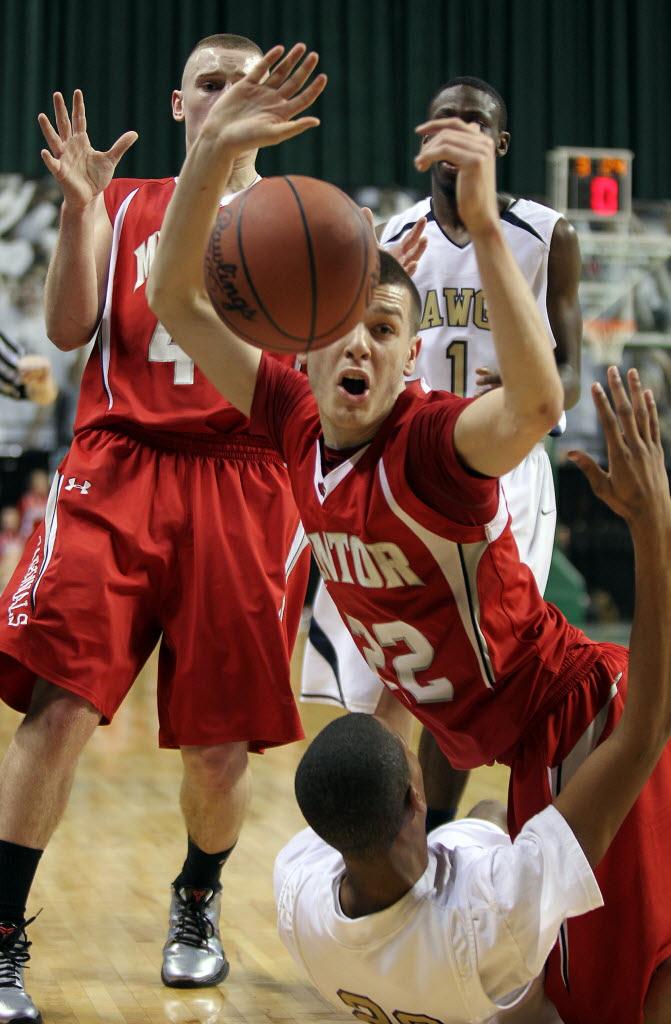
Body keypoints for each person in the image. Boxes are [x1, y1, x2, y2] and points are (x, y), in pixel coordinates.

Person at [148, 50, 671, 1024]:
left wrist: (478, 224)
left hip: (572, 719)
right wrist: (212, 151)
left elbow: (535, 399)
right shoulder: (289, 420)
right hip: (492, 728)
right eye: (348, 323)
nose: (363, 343)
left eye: (389, 329)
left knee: (621, 992)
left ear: (406, 354)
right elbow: (174, 299)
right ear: (303, 341)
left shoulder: (432, 445)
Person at [0, 35, 321, 1021]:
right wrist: (77, 208)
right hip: (117, 466)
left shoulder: (299, 219)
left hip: (242, 483)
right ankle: (3, 935)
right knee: (56, 706)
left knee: (219, 745)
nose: (226, 96)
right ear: (181, 106)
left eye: (241, 82)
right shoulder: (130, 199)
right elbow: (62, 331)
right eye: (209, 84)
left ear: (269, 107)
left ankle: (195, 896)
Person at [301, 76, 583, 831]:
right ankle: (381, 834)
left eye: (474, 122)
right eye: (443, 120)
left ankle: (439, 834)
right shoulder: (391, 237)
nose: (456, 132)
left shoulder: (547, 233)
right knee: (385, 679)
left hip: (501, 461)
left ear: (500, 144)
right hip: (400, 458)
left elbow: (570, 375)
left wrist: (533, 383)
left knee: (474, 671)